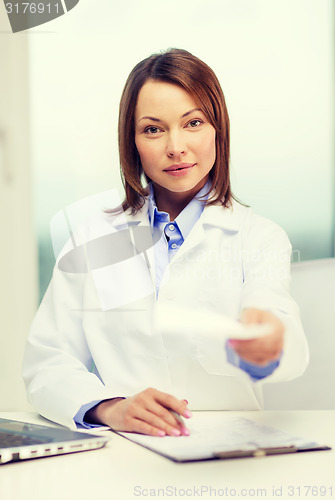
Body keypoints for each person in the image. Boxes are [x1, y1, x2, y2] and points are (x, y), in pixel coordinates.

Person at [23, 48, 309, 438]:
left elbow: (275, 318)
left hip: (228, 451)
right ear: (133, 142)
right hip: (124, 449)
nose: (175, 146)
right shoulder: (95, 238)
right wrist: (111, 408)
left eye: (193, 123)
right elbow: (48, 361)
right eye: (153, 129)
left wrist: (267, 344)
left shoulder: (259, 237)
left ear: (218, 129)